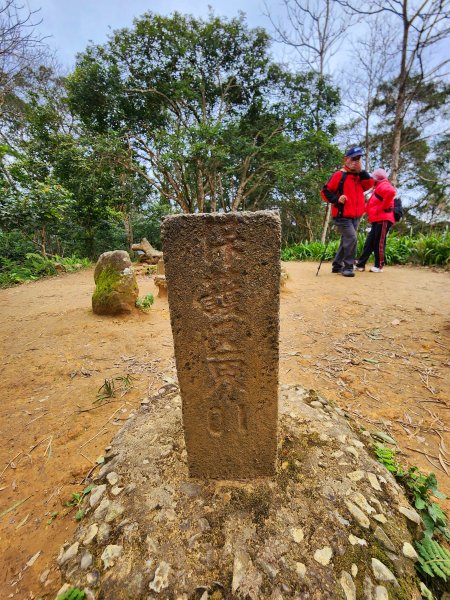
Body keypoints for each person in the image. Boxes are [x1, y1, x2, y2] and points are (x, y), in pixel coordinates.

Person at [321, 146, 374, 277]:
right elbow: (325, 192)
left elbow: (369, 184)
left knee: (347, 239)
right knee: (351, 238)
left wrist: (361, 171)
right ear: (346, 159)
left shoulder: (359, 176)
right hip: (342, 215)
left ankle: (337, 265)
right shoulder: (339, 175)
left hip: (356, 215)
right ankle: (348, 267)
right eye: (354, 158)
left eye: (359, 158)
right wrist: (337, 199)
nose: (356, 161)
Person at [355, 168, 396, 273]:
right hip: (376, 220)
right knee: (369, 242)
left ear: (377, 178)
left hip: (383, 219)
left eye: (373, 177)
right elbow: (372, 205)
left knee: (379, 242)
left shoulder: (383, 185)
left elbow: (391, 192)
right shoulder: (377, 187)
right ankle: (360, 264)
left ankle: (379, 265)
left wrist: (383, 207)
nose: (372, 179)